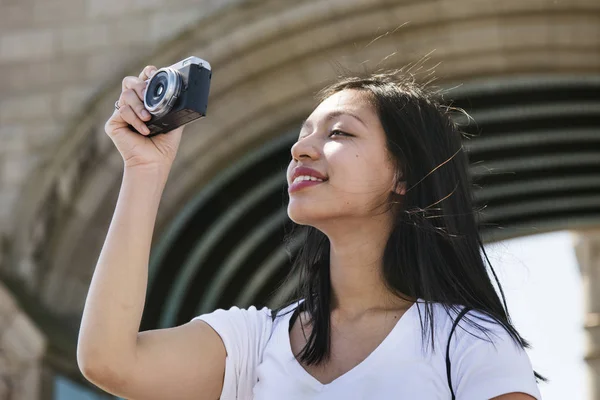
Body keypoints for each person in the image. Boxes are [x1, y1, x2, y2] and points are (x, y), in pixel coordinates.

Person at [77, 64, 544, 400]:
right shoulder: (255, 342)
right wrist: (144, 169)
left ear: (404, 176)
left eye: (338, 133)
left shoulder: (468, 343)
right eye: (304, 133)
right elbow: (109, 362)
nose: (301, 148)